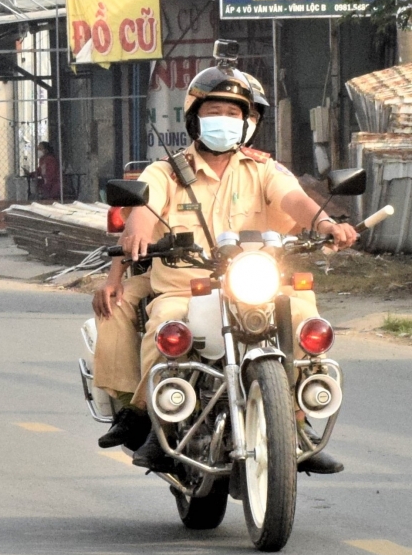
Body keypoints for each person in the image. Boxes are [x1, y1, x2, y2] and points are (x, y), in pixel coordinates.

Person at [93, 64, 352, 475]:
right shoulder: (164, 171)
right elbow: (142, 208)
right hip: (186, 287)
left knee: (305, 320)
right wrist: (139, 234)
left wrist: (325, 223)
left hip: (259, 284)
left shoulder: (264, 169)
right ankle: (158, 420)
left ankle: (297, 428)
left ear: (248, 123)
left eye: (234, 114)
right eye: (215, 111)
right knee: (164, 328)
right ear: (195, 117)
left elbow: (294, 200)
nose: (225, 121)